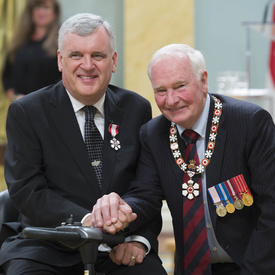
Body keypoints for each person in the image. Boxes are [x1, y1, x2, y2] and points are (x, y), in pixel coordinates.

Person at [0, 13, 166, 275]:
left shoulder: (137, 109)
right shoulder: (27, 112)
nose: (87, 65)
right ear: (60, 60)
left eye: (97, 56)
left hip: (118, 246)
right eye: (76, 55)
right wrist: (89, 220)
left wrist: (139, 239)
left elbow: (147, 187)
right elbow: (27, 190)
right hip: (47, 246)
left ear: (113, 62)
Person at [90, 44, 275, 275]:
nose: (171, 100)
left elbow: (272, 207)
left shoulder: (250, 123)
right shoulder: (152, 133)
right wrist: (122, 211)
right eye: (161, 90)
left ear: (203, 81)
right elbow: (145, 195)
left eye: (180, 86)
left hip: (252, 265)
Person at [2, 0, 61, 102]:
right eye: (37, 7)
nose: (41, 12)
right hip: (18, 106)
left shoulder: (61, 43)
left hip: (46, 106)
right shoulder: (19, 41)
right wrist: (15, 96)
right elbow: (7, 73)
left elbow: (63, 79)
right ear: (30, 11)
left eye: (46, 8)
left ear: (55, 13)